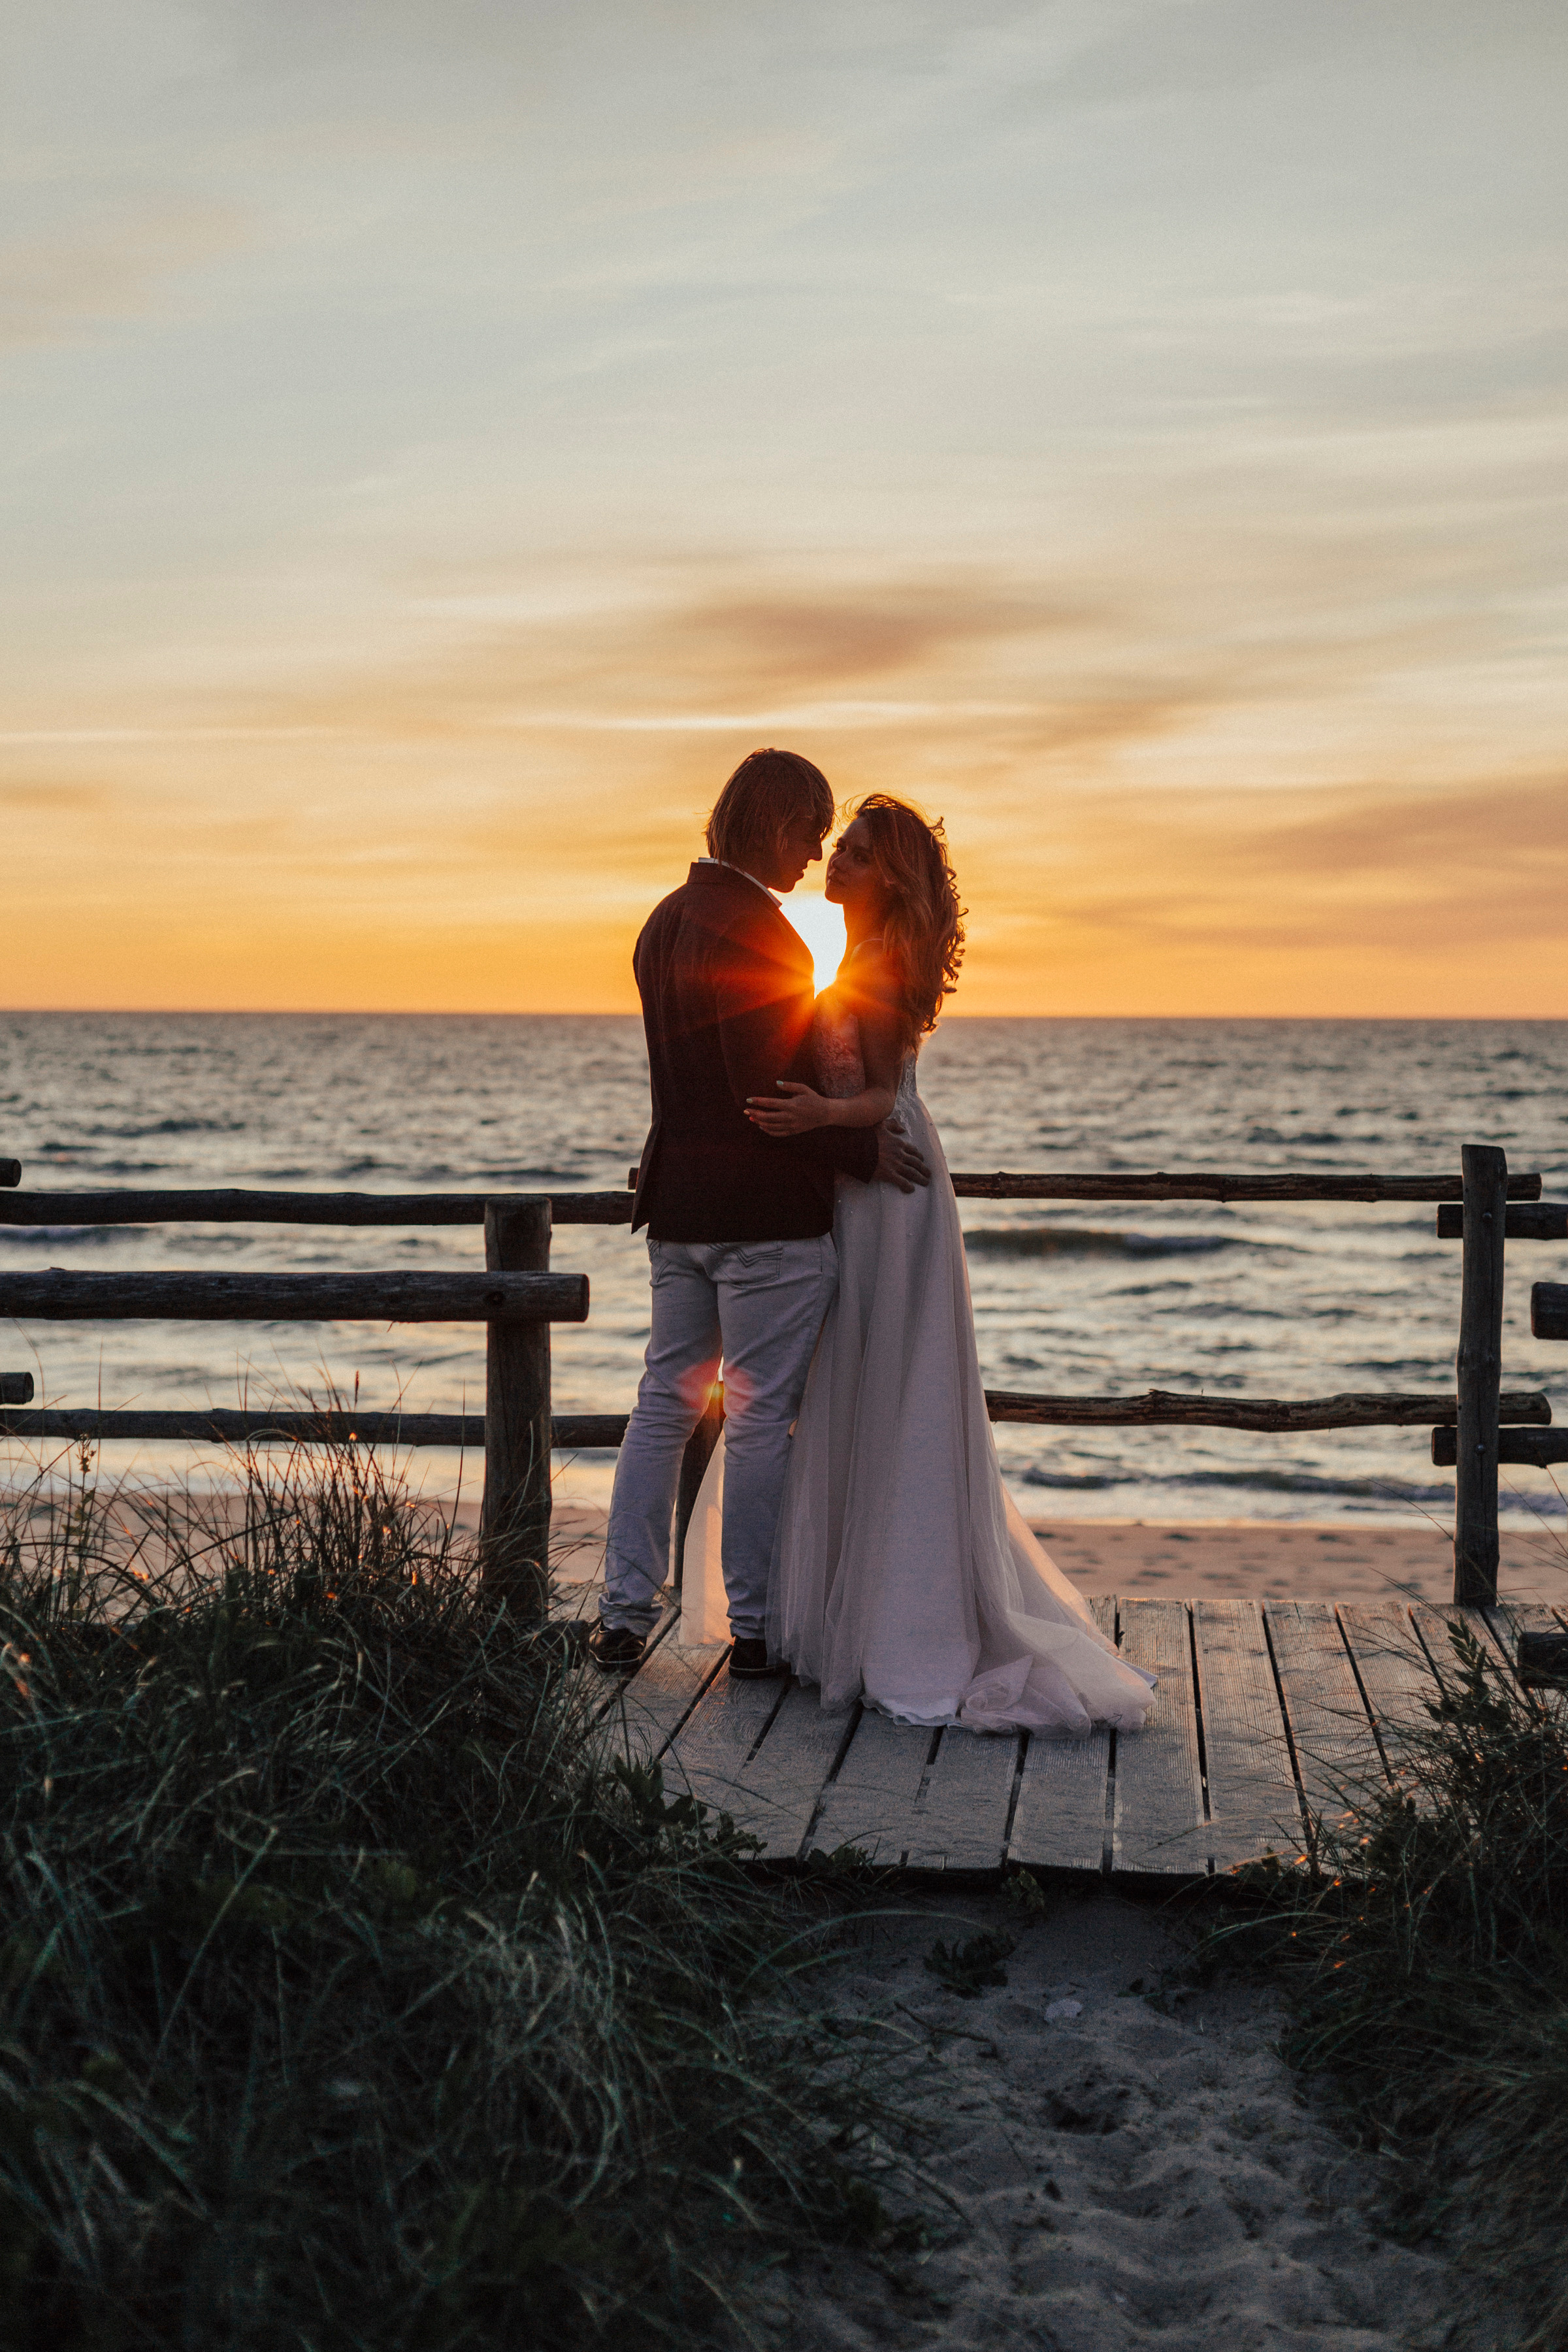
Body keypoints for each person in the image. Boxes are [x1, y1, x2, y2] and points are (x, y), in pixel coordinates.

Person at [683, 795, 1156, 1737]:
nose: (836, 863)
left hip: (887, 1186)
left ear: (890, 877)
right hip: (855, 1185)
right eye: (839, 849)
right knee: (844, 1385)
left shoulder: (884, 962)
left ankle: (901, 1623)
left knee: (891, 1386)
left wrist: (818, 1120)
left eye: (855, 854)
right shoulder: (850, 956)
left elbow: (879, 1098)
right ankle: (835, 1619)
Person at [590, 751, 930, 1678]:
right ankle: (756, 1630)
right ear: (777, 826)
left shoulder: (663, 924)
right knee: (759, 1417)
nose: (814, 853)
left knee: (659, 1407)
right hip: (766, 1228)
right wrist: (861, 1147)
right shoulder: (768, 938)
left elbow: (693, 1083)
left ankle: (621, 1617)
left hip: (680, 1215)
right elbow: (769, 1098)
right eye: (812, 832)